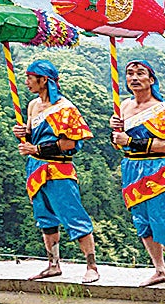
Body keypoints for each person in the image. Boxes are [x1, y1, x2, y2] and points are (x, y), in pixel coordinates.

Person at [11, 60, 100, 283]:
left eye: (31, 77)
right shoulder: (33, 105)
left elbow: (69, 143)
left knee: (73, 216)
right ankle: (53, 264)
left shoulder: (64, 108)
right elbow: (32, 135)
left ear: (44, 80)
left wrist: (36, 147)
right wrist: (23, 133)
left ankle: (91, 266)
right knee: (45, 218)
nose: (27, 82)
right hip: (35, 168)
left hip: (59, 168)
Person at [112, 56, 165, 289]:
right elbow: (119, 143)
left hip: (157, 169)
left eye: (140, 73)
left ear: (151, 79)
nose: (134, 78)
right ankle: (159, 269)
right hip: (131, 169)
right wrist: (117, 134)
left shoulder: (162, 110)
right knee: (142, 222)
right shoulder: (123, 106)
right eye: (130, 74)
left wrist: (130, 139)